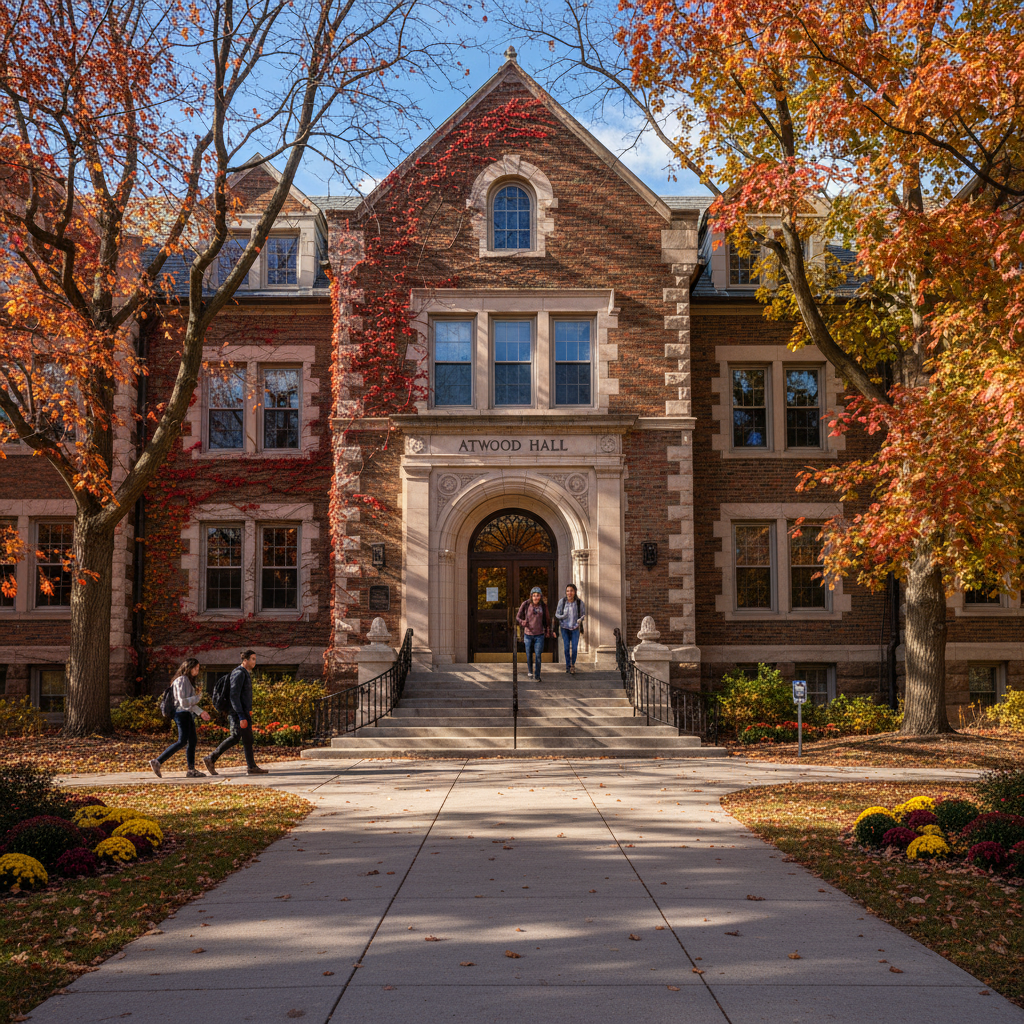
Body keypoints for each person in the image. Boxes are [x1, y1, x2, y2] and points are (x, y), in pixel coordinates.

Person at [203, 649, 269, 776]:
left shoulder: (244, 673)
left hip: (243, 712)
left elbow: (243, 696)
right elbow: (234, 696)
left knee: (247, 739)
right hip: (237, 713)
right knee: (235, 737)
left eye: (255, 659)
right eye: (253, 659)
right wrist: (240, 715)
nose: (255, 662)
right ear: (245, 660)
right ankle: (211, 758)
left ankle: (251, 767)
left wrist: (247, 711)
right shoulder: (238, 674)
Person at [150, 658, 211, 779]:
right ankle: (158, 761)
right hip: (181, 714)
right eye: (196, 668)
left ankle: (191, 769)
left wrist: (201, 712)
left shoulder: (185, 680)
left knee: (192, 741)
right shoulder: (183, 680)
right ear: (189, 667)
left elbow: (189, 704)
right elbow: (183, 702)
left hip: (185, 714)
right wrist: (198, 697)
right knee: (182, 741)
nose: (197, 671)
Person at [516, 586, 551, 682]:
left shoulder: (543, 606)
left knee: (538, 655)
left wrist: (548, 630)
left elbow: (547, 620)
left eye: (538, 595)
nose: (536, 597)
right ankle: (530, 670)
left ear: (541, 596)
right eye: (534, 595)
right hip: (528, 634)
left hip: (539, 634)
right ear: (531, 596)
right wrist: (522, 622)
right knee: (529, 654)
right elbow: (518, 617)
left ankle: (537, 675)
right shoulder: (526, 604)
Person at [554, 583, 586, 675]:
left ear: (575, 592)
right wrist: (563, 616)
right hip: (564, 627)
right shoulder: (562, 602)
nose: (569, 593)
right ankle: (568, 666)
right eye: (567, 591)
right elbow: (557, 614)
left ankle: (573, 664)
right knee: (566, 648)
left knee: (575, 648)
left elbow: (583, 614)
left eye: (571, 591)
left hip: (575, 628)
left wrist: (580, 619)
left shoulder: (579, 602)